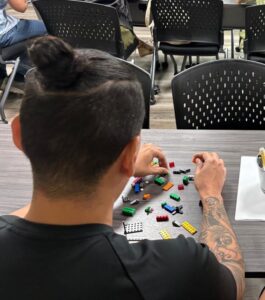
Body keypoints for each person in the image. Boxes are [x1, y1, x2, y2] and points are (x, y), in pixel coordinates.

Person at [0, 36, 244, 299]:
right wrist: (211, 195)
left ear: (19, 135)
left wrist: (118, 170)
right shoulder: (179, 267)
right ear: (131, 154)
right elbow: (233, 282)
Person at [0, 0, 46, 78]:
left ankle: (18, 71)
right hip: (4, 34)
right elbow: (22, 7)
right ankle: (22, 73)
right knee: (49, 27)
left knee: (26, 27)